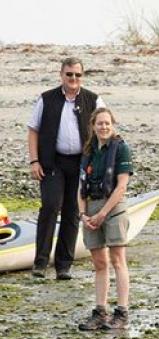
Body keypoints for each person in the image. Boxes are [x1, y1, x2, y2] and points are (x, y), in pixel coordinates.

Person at [27, 57, 106, 280]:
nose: (73, 79)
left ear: (82, 76)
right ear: (61, 75)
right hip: (52, 162)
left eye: (77, 75)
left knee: (73, 212)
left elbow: (105, 128)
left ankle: (64, 265)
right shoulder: (46, 99)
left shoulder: (94, 100)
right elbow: (33, 130)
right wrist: (34, 161)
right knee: (50, 206)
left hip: (81, 165)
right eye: (69, 74)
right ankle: (40, 263)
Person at [77, 108, 133, 331]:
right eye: (99, 123)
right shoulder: (89, 151)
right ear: (93, 126)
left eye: (107, 123)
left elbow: (121, 187)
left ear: (113, 124)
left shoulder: (121, 149)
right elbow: (80, 188)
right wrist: (83, 214)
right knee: (99, 263)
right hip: (91, 207)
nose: (103, 127)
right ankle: (100, 312)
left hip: (113, 208)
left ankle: (121, 313)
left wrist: (102, 214)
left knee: (118, 260)